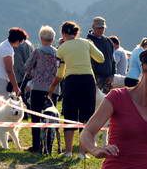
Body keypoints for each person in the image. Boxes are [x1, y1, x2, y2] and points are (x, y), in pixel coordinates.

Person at [47, 21, 105, 158]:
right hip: (88, 81)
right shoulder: (86, 43)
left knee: (69, 116)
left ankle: (68, 151)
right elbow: (101, 59)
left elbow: (60, 74)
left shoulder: (61, 49)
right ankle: (82, 152)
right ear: (76, 33)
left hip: (71, 82)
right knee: (86, 117)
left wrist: (52, 88)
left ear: (63, 34)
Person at [24, 26, 59, 153]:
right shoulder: (57, 53)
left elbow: (27, 66)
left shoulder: (37, 52)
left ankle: (36, 146)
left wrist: (33, 73)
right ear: (53, 39)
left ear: (40, 38)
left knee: (36, 117)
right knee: (50, 118)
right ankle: (48, 146)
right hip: (53, 89)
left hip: (38, 88)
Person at [0, 28, 28, 97]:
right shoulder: (7, 50)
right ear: (18, 41)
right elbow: (9, 70)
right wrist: (16, 87)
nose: (21, 43)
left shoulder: (5, 45)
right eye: (21, 41)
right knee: (3, 105)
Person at [87, 16, 115, 94]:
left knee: (107, 101)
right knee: (93, 100)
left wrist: (112, 74)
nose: (101, 30)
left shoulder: (108, 41)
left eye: (102, 28)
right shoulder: (88, 42)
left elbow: (112, 60)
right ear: (93, 27)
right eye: (99, 28)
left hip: (108, 78)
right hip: (95, 77)